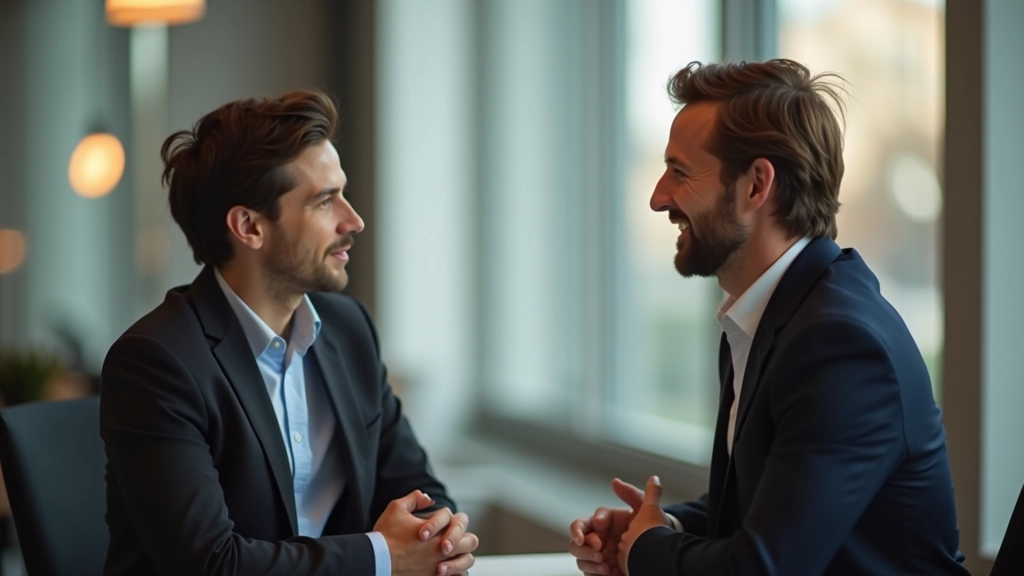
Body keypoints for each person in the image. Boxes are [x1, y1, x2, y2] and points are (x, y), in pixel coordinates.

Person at [568, 59, 969, 576]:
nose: (657, 197)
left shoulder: (841, 344)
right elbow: (767, 513)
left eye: (679, 171)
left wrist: (647, 551)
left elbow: (763, 567)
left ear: (757, 185)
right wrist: (662, 527)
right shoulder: (774, 314)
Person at [100, 90, 477, 576]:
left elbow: (419, 490)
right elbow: (211, 565)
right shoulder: (157, 362)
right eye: (325, 201)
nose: (354, 220)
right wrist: (383, 555)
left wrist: (436, 536)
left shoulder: (349, 330)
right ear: (249, 226)